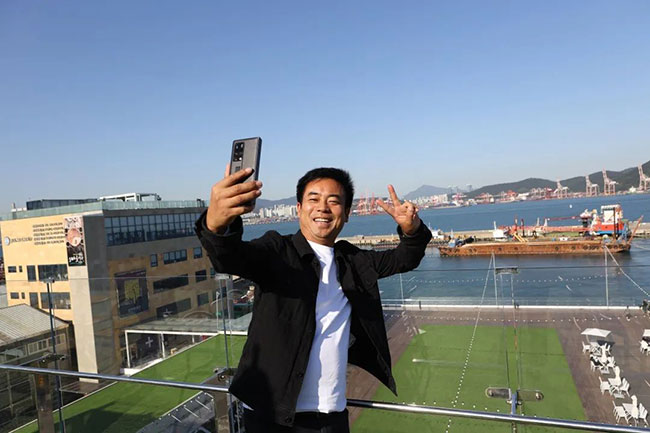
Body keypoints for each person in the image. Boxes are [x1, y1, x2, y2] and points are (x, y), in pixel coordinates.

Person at [196, 166, 432, 432]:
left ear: (347, 213)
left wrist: (412, 229)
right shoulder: (277, 251)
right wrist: (217, 224)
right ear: (299, 208)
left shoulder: (353, 262)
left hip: (330, 415)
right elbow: (229, 257)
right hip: (267, 414)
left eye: (334, 201)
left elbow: (404, 258)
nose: (323, 207)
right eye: (314, 199)